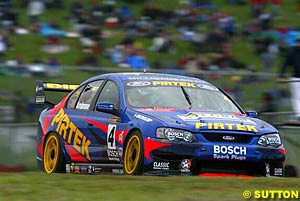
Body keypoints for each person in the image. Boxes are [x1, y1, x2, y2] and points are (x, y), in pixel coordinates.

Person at [278, 36, 300, 120]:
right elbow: (285, 64)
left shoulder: (292, 52)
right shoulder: (292, 52)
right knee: (296, 97)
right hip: (296, 78)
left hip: (296, 78)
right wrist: (281, 76)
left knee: (297, 97)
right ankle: (298, 115)